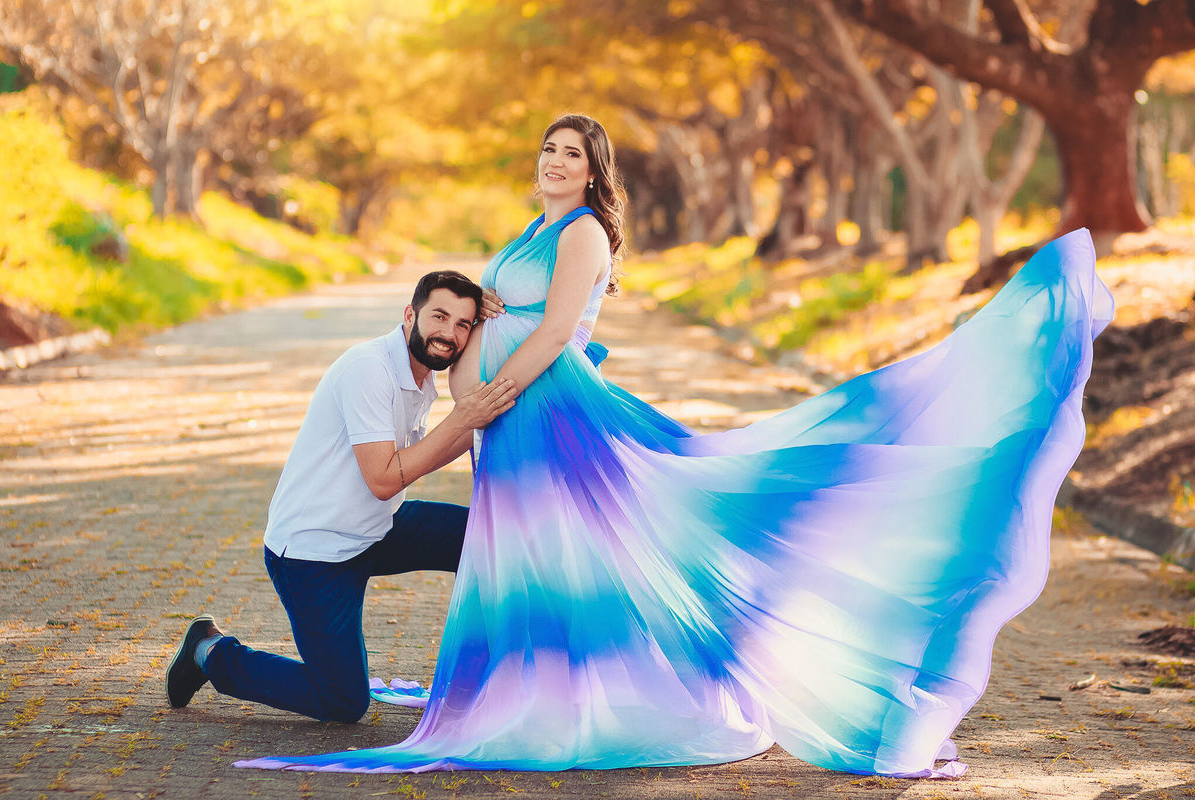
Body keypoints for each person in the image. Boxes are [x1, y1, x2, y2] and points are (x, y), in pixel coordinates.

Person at [237, 114, 1113, 776]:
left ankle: (599, 690)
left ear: (594, 172)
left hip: (541, 414)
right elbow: (500, 314)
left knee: (606, 545)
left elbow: (557, 334)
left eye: (572, 154)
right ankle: (533, 680)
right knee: (538, 554)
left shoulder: (581, 231)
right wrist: (478, 366)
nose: (555, 161)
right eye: (548, 149)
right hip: (503, 427)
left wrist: (491, 397)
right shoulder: (531, 229)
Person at [165, 270, 516, 723]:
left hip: (377, 528)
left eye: (463, 324)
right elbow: (384, 479)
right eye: (439, 316)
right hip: (315, 552)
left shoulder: (422, 376)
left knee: (491, 537)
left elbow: (427, 453)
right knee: (343, 701)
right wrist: (463, 420)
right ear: (410, 315)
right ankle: (209, 652)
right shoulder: (368, 369)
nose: (449, 333)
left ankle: (509, 674)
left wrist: (486, 415)